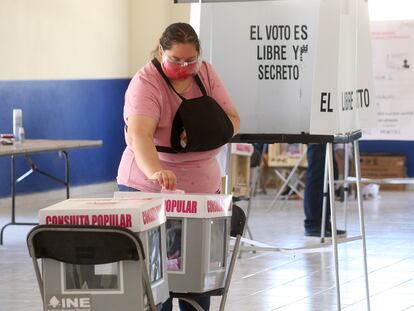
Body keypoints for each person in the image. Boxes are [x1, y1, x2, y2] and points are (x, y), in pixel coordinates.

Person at [117, 22, 240, 311]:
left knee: (197, 280)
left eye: (190, 61)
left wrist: (205, 131)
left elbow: (232, 119)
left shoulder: (206, 73)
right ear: (161, 51)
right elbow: (140, 136)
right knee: (154, 281)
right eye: (175, 60)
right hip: (149, 186)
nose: (184, 67)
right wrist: (155, 172)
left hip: (201, 192)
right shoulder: (146, 83)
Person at [303, 144, 346, 237]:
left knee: (331, 174)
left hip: (327, 136)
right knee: (316, 177)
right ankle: (313, 224)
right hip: (316, 137)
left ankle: (325, 222)